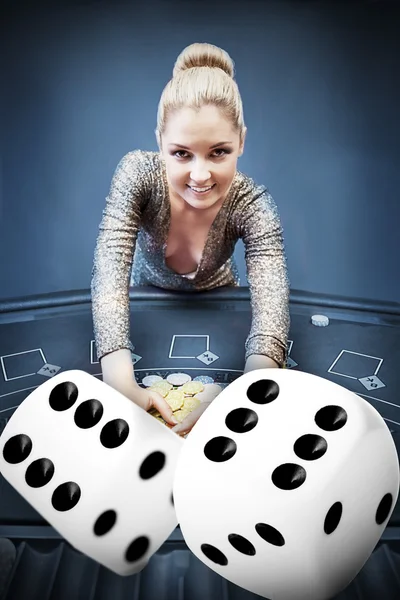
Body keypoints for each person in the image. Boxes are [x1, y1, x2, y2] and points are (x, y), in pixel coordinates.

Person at [91, 42, 290, 436]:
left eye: (218, 152)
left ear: (242, 142)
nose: (200, 176)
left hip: (222, 310)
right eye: (181, 154)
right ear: (159, 142)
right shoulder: (138, 174)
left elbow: (271, 312)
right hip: (144, 305)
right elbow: (110, 267)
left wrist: (241, 394)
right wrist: (120, 380)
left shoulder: (254, 204)